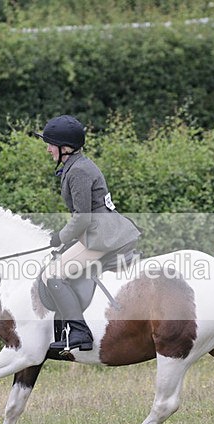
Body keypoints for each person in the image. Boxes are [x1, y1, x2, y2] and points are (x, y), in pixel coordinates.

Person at [32, 114, 140, 353]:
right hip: (99, 231)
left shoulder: (78, 171)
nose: (48, 149)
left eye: (50, 144)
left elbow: (82, 217)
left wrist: (60, 237)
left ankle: (79, 332)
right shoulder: (78, 165)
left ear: (65, 148)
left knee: (52, 275)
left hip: (100, 235)